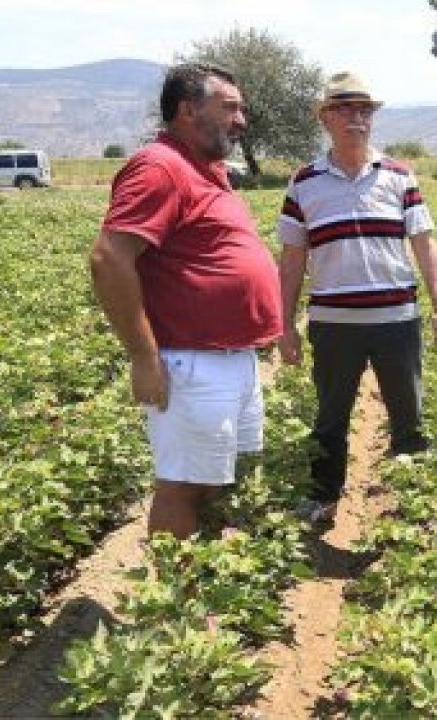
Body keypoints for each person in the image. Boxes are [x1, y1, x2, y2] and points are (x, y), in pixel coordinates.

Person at [89, 63, 283, 539]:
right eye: (231, 107)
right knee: (183, 485)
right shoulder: (160, 166)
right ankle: (173, 608)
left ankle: (205, 594)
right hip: (192, 363)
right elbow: (108, 257)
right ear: (188, 109)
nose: (242, 120)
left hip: (230, 359)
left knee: (215, 480)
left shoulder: (206, 169)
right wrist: (142, 356)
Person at [277, 71, 437, 525]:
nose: (357, 117)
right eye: (345, 108)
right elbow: (293, 259)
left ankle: (412, 504)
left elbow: (425, 244)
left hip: (397, 321)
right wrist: (285, 326)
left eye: (364, 110)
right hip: (334, 325)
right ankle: (323, 496)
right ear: (325, 118)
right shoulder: (304, 183)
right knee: (331, 417)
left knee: (408, 414)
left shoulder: (398, 176)